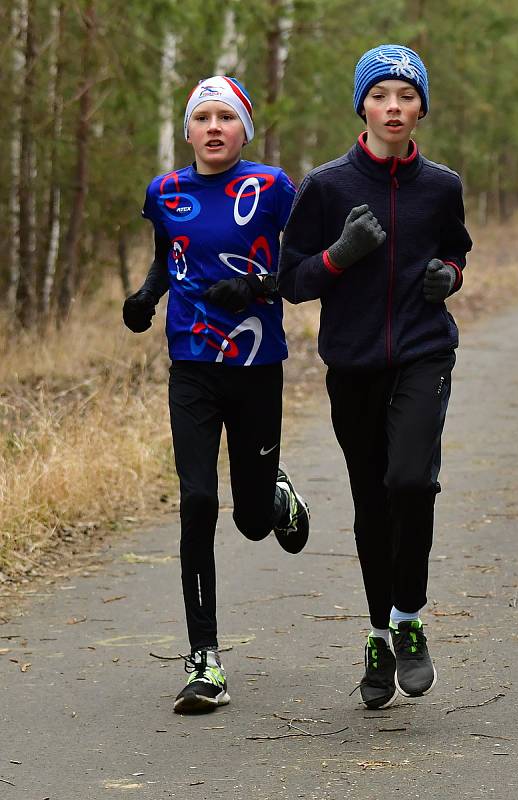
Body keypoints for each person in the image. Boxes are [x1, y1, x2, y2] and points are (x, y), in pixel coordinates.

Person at [278, 45, 472, 710]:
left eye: (406, 96)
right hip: (353, 364)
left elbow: (455, 247)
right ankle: (375, 635)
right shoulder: (327, 187)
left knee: (410, 482)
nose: (394, 107)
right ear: (361, 105)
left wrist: (449, 275)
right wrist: (338, 256)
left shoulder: (441, 185)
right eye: (381, 95)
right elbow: (292, 279)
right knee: (371, 503)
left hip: (423, 352)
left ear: (420, 109)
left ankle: (408, 618)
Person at [122, 75, 310, 714]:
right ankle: (205, 659)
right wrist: (149, 298)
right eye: (201, 116)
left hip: (257, 364)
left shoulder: (272, 189)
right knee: (198, 498)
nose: (212, 127)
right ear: (188, 129)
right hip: (193, 367)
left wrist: (259, 286)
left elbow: (301, 267)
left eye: (225, 117)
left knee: (252, 523)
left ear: (242, 130)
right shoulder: (165, 192)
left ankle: (272, 493)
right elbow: (167, 258)